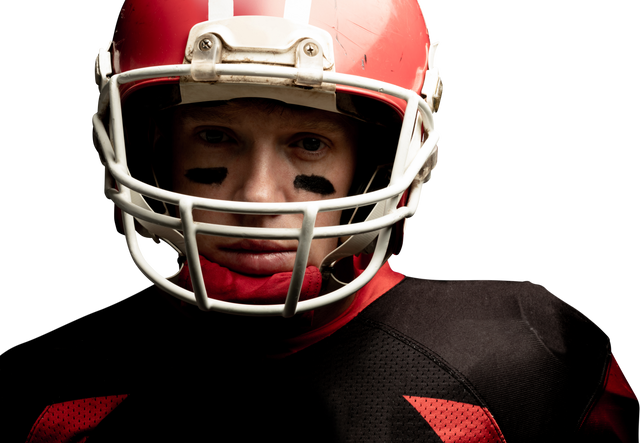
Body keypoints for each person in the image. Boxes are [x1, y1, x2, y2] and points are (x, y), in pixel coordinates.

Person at [25, 0, 638, 442]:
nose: (260, 199)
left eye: (310, 143)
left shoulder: (522, 362)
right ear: (153, 151)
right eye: (215, 138)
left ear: (375, 168)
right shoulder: (62, 373)